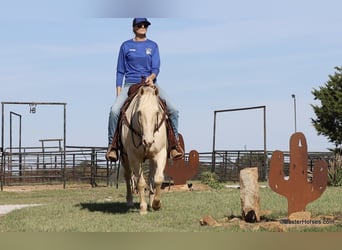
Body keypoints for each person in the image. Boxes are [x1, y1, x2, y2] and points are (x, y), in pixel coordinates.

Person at [106, 18, 183, 161]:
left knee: (174, 110)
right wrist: (118, 93)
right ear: (133, 27)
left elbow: (156, 67)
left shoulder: (153, 46)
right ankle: (113, 146)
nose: (142, 27)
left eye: (145, 25)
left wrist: (152, 77)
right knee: (114, 111)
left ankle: (174, 145)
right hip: (130, 84)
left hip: (150, 85)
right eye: (139, 25)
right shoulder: (126, 46)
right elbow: (119, 71)